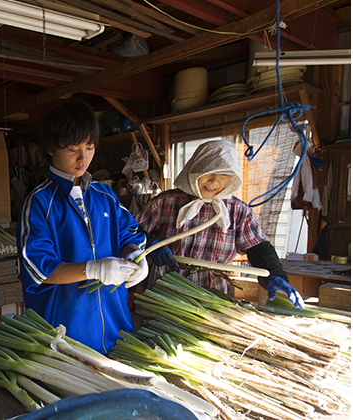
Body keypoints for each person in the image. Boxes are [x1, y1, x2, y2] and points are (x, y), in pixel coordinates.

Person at [17, 99, 148, 354]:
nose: (83, 157)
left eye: (89, 147)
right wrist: (93, 269)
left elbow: (128, 235)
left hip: (116, 325)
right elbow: (40, 268)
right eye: (73, 148)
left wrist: (135, 256)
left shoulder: (105, 195)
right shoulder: (40, 203)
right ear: (51, 149)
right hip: (66, 331)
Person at [136, 140, 305, 309]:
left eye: (223, 175)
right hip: (165, 294)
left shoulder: (238, 212)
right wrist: (150, 244)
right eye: (207, 172)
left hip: (213, 297)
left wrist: (275, 274)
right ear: (194, 169)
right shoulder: (165, 203)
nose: (214, 182)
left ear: (232, 178)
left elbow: (259, 248)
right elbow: (131, 232)